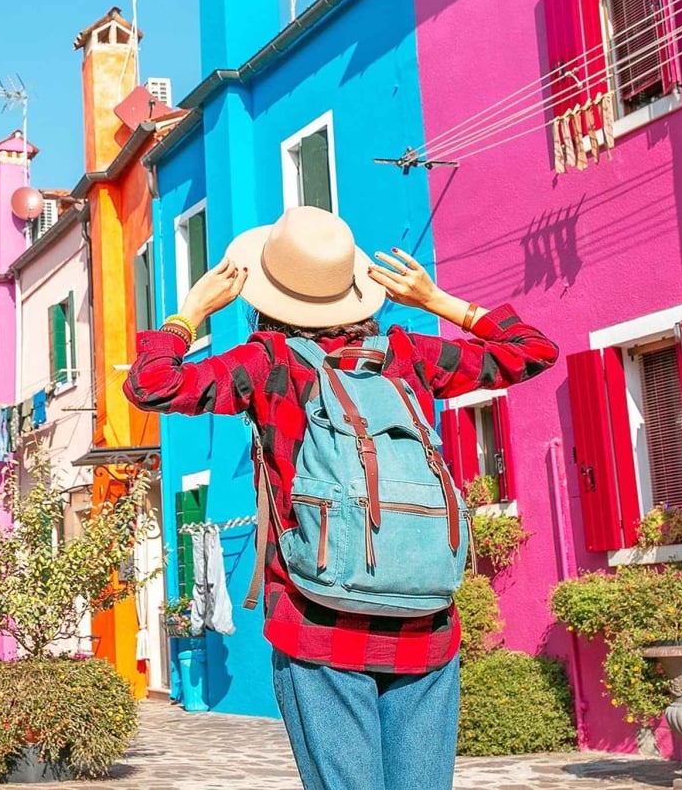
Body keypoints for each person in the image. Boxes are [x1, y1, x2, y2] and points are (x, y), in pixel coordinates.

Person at [123, 206, 557, 790]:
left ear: (268, 297)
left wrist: (189, 315)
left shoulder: (268, 363)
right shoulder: (405, 355)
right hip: (425, 622)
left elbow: (152, 385)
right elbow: (533, 350)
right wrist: (440, 302)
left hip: (318, 624)